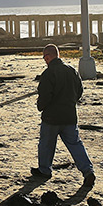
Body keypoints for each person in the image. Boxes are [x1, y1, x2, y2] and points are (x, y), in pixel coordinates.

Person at [31, 43, 96, 188]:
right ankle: (87, 171)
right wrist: (70, 102)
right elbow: (79, 90)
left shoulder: (48, 73)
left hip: (52, 117)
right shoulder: (71, 70)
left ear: (48, 56)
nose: (44, 60)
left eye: (44, 57)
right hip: (69, 116)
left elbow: (45, 95)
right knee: (75, 144)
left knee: (46, 144)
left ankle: (45, 170)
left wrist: (40, 106)